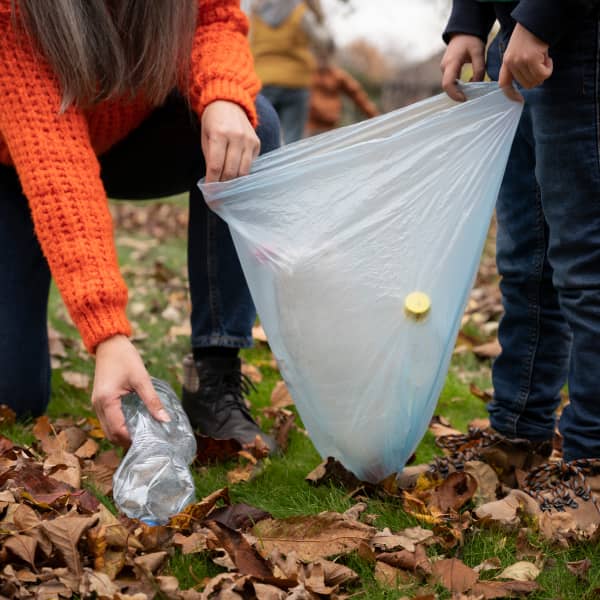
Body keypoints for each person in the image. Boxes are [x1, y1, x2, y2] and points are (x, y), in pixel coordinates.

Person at [0, 0, 279, 452]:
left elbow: (213, 19)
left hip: (129, 135)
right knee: (15, 398)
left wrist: (223, 95)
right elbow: (56, 167)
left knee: (254, 121)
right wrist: (107, 333)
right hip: (17, 158)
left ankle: (215, 372)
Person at [438, 0, 600, 516]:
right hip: (523, 37)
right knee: (526, 261)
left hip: (576, 35)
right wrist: (469, 19)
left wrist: (541, 17)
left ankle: (589, 469)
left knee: (585, 264)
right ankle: (518, 439)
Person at [250, 0, 333, 143]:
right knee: (292, 140)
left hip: (262, 80)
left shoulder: (256, 11)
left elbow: (248, 40)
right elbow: (323, 40)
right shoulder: (300, 11)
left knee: (261, 137)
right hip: (295, 82)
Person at [307, 50, 379, 136]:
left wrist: (376, 117)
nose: (322, 60)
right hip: (310, 126)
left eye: (324, 57)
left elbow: (357, 95)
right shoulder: (307, 74)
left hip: (330, 127)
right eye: (319, 57)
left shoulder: (337, 76)